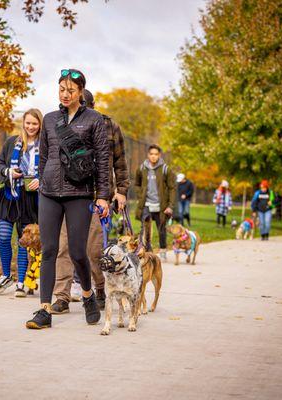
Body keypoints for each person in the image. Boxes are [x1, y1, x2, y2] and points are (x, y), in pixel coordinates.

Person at [25, 69, 109, 329]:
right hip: (49, 193)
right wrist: (43, 183)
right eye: (61, 89)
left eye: (70, 90)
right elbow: (45, 156)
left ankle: (87, 295)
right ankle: (44, 310)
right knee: (49, 250)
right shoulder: (50, 120)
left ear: (80, 92)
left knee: (77, 252)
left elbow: (103, 161)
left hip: (79, 193)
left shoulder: (95, 120)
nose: (65, 94)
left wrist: (103, 196)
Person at [51, 89, 129, 313]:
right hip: (69, 193)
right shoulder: (62, 124)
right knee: (63, 246)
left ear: (92, 105)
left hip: (98, 196)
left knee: (93, 249)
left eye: (85, 104)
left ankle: (101, 288)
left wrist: (121, 190)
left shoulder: (108, 125)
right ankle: (62, 296)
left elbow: (120, 162)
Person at [0, 109, 42, 297]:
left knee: (23, 239)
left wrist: (41, 180)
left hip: (29, 198)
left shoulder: (44, 145)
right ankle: (6, 275)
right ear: (23, 123)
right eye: (28, 123)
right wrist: (9, 172)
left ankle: (21, 282)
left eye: (34, 124)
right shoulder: (12, 142)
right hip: (9, 195)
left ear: (40, 125)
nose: (30, 127)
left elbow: (50, 169)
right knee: (4, 236)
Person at [135, 145, 176, 259]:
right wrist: (141, 194)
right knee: (144, 229)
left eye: (156, 154)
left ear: (159, 155)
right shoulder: (142, 168)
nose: (153, 156)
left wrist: (170, 206)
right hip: (146, 204)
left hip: (161, 206)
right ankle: (144, 252)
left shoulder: (165, 169)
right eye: (151, 154)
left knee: (161, 229)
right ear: (148, 155)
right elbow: (137, 184)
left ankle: (162, 252)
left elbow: (172, 188)